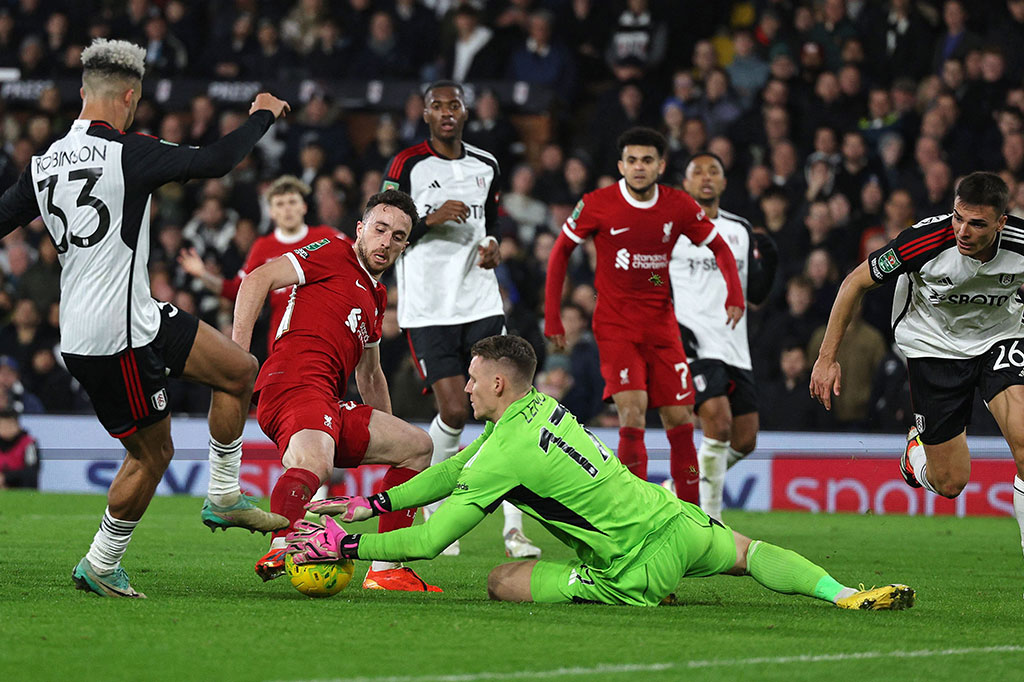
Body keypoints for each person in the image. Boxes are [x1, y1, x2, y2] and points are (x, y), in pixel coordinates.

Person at [287, 335, 914, 611]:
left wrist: (345, 542)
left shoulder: (506, 452)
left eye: (474, 381)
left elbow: (425, 541)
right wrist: (367, 506)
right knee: (750, 553)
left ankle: (636, 590)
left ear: (498, 383)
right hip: (671, 517)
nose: (466, 390)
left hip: (632, 562)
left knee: (501, 580)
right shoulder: (541, 412)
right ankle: (845, 594)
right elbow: (451, 473)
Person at [0, 38, 290, 598]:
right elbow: (217, 161)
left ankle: (224, 495)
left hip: (133, 317)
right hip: (113, 337)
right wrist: (261, 116)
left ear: (84, 93)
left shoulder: (42, 165)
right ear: (130, 98)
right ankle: (101, 564)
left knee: (237, 369)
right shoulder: (131, 152)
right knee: (153, 453)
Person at [810, 171, 1024, 565]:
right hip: (932, 347)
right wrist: (826, 358)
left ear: (1001, 223)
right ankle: (916, 457)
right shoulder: (925, 240)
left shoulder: (1020, 244)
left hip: (1000, 340)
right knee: (951, 482)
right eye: (958, 217)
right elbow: (855, 282)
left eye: (977, 224)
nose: (963, 230)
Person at [233, 189, 440, 593]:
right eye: (380, 229)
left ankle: (385, 568)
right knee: (317, 460)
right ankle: (284, 542)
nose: (386, 241)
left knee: (416, 446)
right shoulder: (332, 251)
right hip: (292, 382)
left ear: (405, 245)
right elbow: (258, 279)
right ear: (361, 229)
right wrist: (237, 357)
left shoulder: (377, 296)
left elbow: (371, 375)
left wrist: (387, 429)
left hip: (327, 398)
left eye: (398, 236)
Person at [544, 128, 745, 505]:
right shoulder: (597, 203)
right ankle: (635, 515)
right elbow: (560, 253)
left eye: (647, 160)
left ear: (661, 165)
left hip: (663, 327)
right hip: (616, 327)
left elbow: (718, 245)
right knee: (632, 416)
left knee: (681, 422)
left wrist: (734, 292)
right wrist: (552, 316)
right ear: (621, 165)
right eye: (632, 160)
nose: (639, 167)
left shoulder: (678, 205)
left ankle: (692, 518)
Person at [381, 79, 539, 559]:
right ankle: (436, 505)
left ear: (466, 112)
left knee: (511, 409)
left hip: (480, 300)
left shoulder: (486, 163)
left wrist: (493, 247)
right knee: (453, 411)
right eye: (437, 105)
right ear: (425, 114)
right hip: (428, 307)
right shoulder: (407, 164)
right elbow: (380, 216)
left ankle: (515, 529)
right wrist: (428, 220)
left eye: (455, 105)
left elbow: (491, 224)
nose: (447, 112)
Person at [669, 152, 776, 518]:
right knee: (717, 420)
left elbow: (755, 294)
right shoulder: (671, 230)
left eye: (713, 170)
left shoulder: (740, 229)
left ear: (725, 182)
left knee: (745, 439)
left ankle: (676, 489)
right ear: (685, 183)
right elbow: (653, 280)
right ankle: (710, 521)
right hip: (694, 343)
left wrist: (770, 263)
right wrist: (672, 326)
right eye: (697, 171)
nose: (706, 177)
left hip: (735, 346)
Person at [177, 175, 346, 356]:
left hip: (326, 337)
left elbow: (360, 260)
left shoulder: (328, 237)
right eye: (280, 204)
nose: (287, 209)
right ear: (271, 212)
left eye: (292, 202)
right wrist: (202, 274)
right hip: (281, 344)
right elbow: (238, 290)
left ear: (303, 207)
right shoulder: (262, 246)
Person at [0, 407, 38, 489]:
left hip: (21, 490)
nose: (6, 429)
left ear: (18, 425)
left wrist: (6, 478)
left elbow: (31, 472)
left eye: (10, 424)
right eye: (3, 425)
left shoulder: (28, 444)